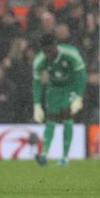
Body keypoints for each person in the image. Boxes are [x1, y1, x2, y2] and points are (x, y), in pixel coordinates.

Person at [32, 33, 87, 166]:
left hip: (71, 86)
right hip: (54, 88)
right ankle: (44, 154)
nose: (48, 54)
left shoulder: (70, 53)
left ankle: (65, 157)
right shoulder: (40, 60)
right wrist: (37, 105)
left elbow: (81, 75)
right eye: (45, 52)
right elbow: (37, 82)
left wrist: (79, 96)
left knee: (66, 116)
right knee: (51, 119)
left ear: (55, 46)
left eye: (50, 50)